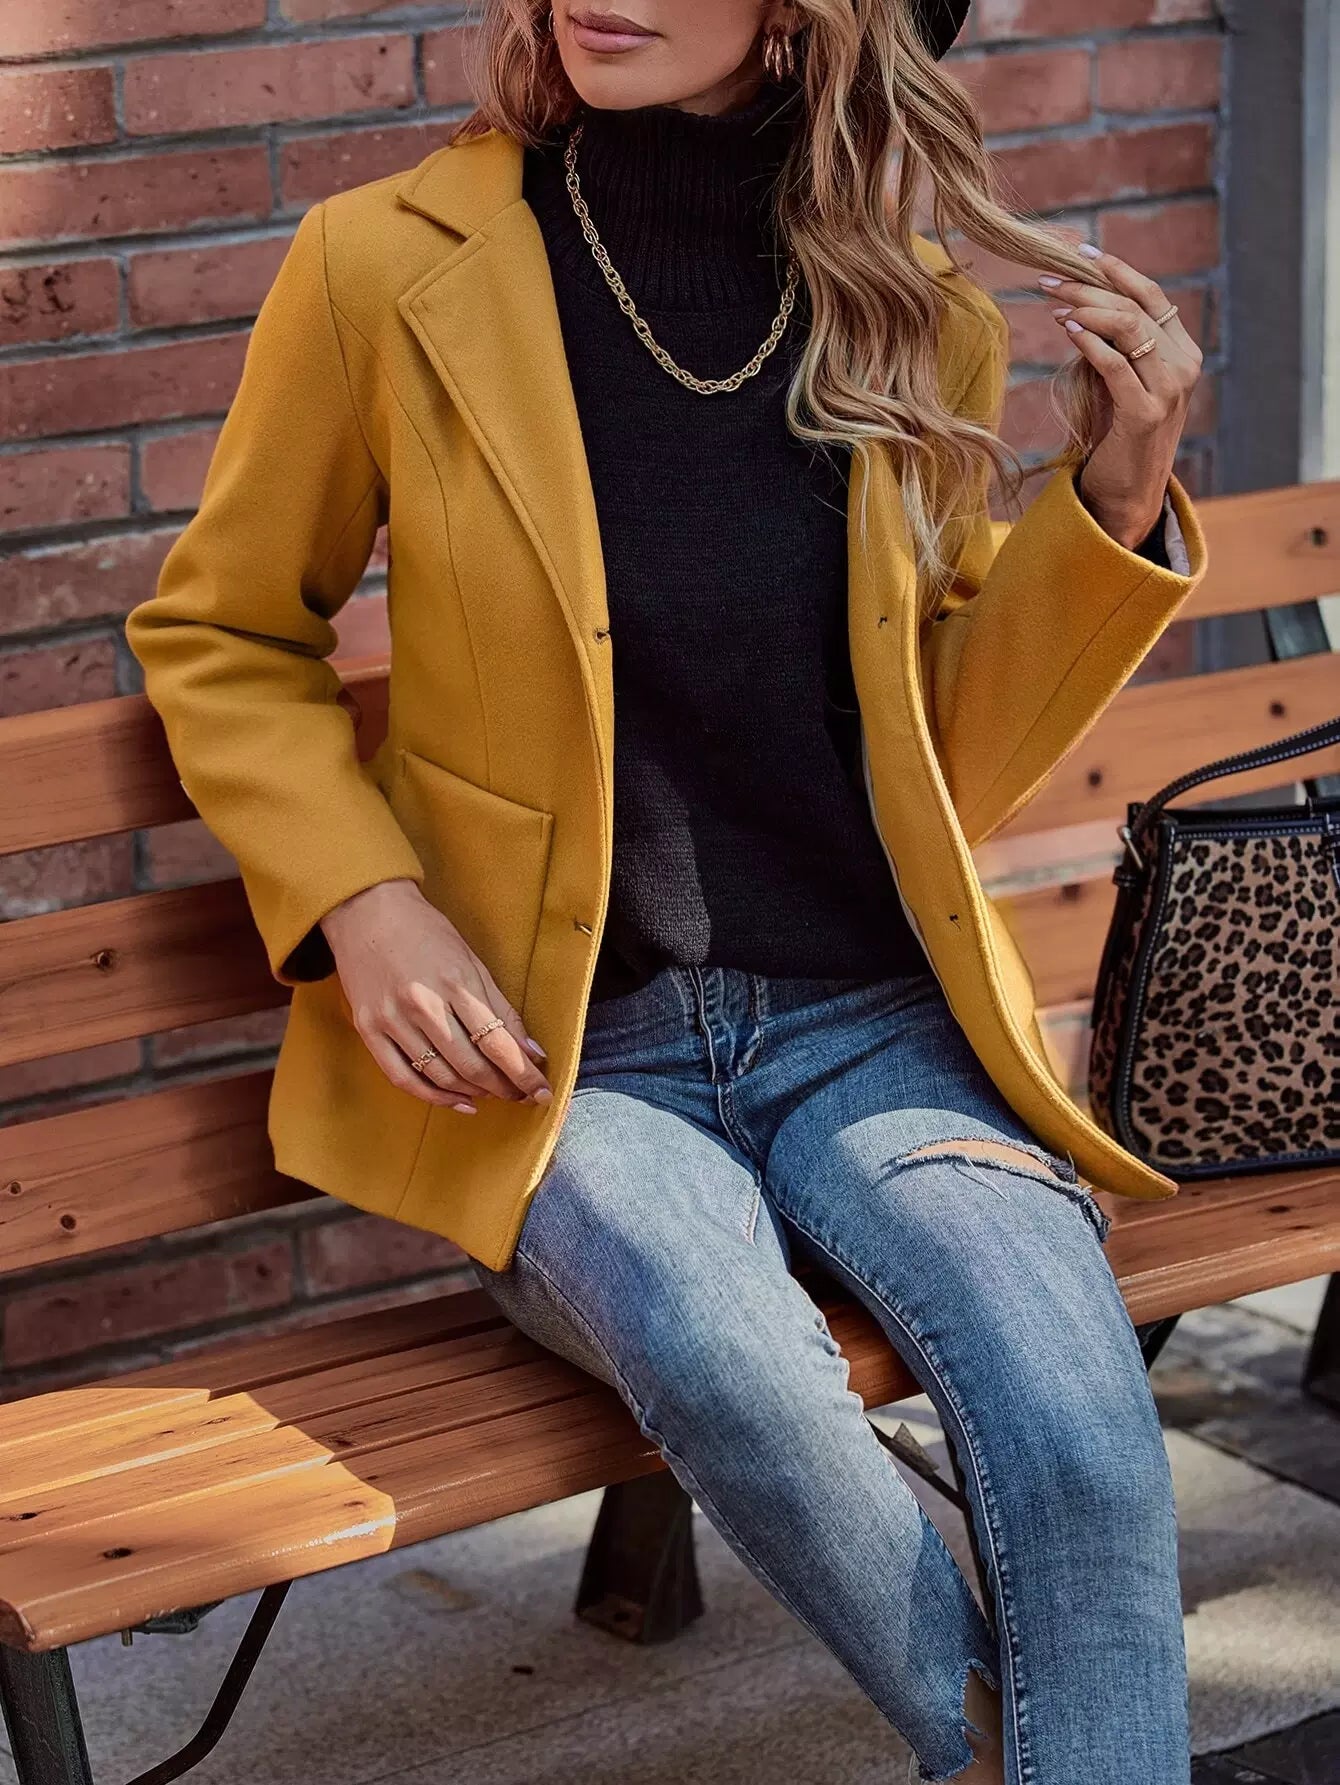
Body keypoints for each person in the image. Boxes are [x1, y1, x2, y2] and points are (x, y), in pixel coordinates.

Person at [125, 3, 1209, 1779]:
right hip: (562, 1058)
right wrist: (365, 898)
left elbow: (943, 749)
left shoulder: (908, 306)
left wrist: (1118, 490)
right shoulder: (387, 266)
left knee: (1081, 1431)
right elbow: (223, 630)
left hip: (873, 1024)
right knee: (731, 1363)